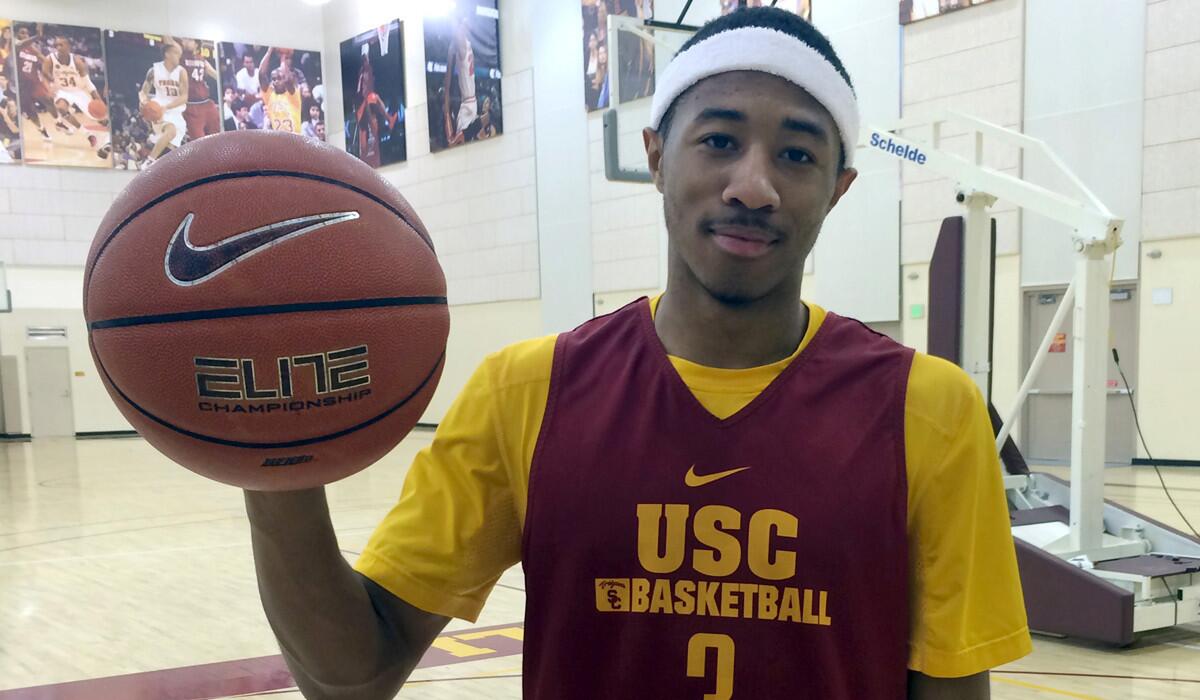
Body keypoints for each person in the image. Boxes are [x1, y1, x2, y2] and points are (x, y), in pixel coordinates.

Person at [245, 8, 1030, 699]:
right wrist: (270, 460)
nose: (752, 186)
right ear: (655, 156)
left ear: (839, 187)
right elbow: (354, 676)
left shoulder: (928, 407)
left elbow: (954, 689)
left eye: (797, 156)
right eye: (719, 141)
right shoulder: (526, 391)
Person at [41, 35, 108, 156]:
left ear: (68, 47)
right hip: (62, 91)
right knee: (61, 108)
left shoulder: (77, 62)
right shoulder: (50, 59)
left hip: (78, 91)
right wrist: (49, 87)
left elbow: (88, 83)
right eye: (56, 45)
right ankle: (88, 134)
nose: (58, 47)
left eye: (61, 45)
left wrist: (98, 99)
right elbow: (44, 73)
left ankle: (108, 141)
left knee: (101, 118)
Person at [139, 41, 189, 165]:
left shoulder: (181, 72)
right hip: (158, 110)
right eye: (176, 53)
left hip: (176, 113)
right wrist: (143, 102)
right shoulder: (154, 70)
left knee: (169, 152)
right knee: (171, 131)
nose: (179, 56)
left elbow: (184, 97)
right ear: (167, 54)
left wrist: (167, 107)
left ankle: (151, 157)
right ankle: (148, 162)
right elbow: (143, 92)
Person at [443, 6, 478, 147]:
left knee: (459, 147)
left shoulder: (463, 44)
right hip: (471, 103)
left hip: (468, 106)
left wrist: (453, 15)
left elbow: (457, 32)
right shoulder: (466, 45)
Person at [173, 36, 220, 140]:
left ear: (196, 44)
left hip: (207, 104)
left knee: (216, 138)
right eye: (184, 39)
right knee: (199, 142)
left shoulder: (202, 60)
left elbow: (217, 76)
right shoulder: (180, 56)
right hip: (191, 106)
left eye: (188, 39)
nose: (184, 41)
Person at [258, 46, 302, 134]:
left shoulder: (293, 96)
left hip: (295, 140)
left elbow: (287, 79)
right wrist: (269, 51)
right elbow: (261, 74)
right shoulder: (270, 95)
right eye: (273, 79)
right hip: (280, 141)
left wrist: (283, 57)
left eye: (279, 78)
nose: (276, 81)